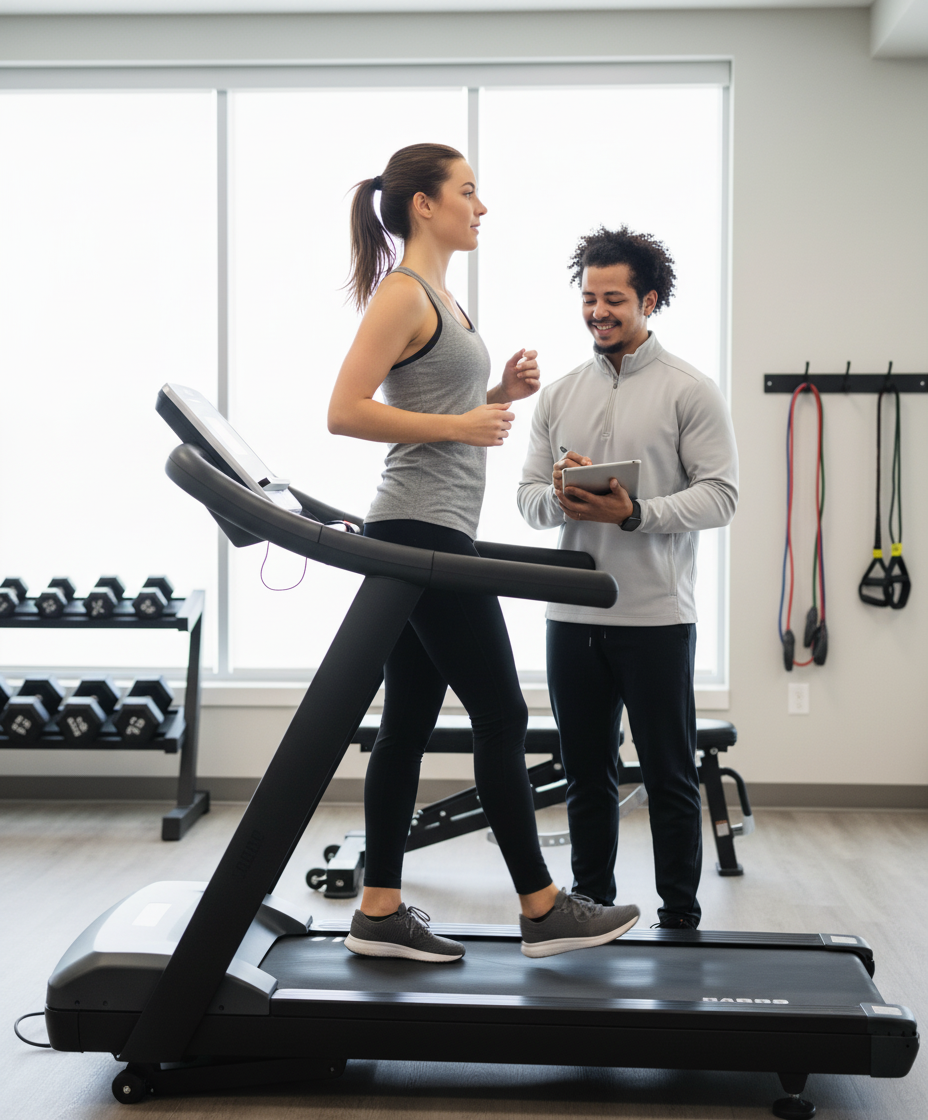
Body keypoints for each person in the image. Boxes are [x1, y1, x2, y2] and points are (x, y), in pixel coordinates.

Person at [327, 146, 640, 962]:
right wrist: (462, 423)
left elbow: (435, 406)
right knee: (502, 716)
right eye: (468, 191)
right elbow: (344, 410)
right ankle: (541, 907)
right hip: (418, 529)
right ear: (424, 205)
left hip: (431, 530)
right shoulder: (402, 291)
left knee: (406, 723)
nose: (482, 206)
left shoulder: (442, 299)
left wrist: (497, 396)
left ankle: (378, 911)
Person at [517, 225, 738, 929]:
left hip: (655, 618)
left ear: (649, 300)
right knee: (586, 777)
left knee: (670, 776)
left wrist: (636, 513)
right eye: (589, 298)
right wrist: (559, 496)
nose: (598, 312)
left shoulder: (690, 391)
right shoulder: (558, 395)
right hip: (572, 618)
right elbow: (526, 501)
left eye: (613, 299)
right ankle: (592, 908)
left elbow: (721, 497)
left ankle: (680, 917)